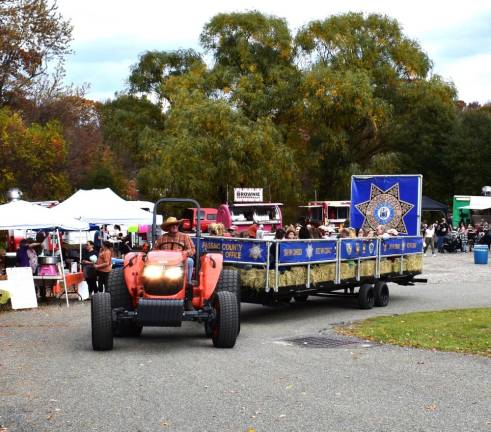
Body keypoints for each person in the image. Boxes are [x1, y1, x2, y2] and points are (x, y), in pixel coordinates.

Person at [154, 217, 196, 310]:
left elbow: (192, 250)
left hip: (180, 262)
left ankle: (187, 284)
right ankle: (154, 285)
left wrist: (184, 253)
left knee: (190, 261)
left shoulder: (185, 237)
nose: (174, 226)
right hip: (164, 262)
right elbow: (154, 251)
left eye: (176, 224)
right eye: (172, 225)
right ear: (168, 227)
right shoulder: (162, 238)